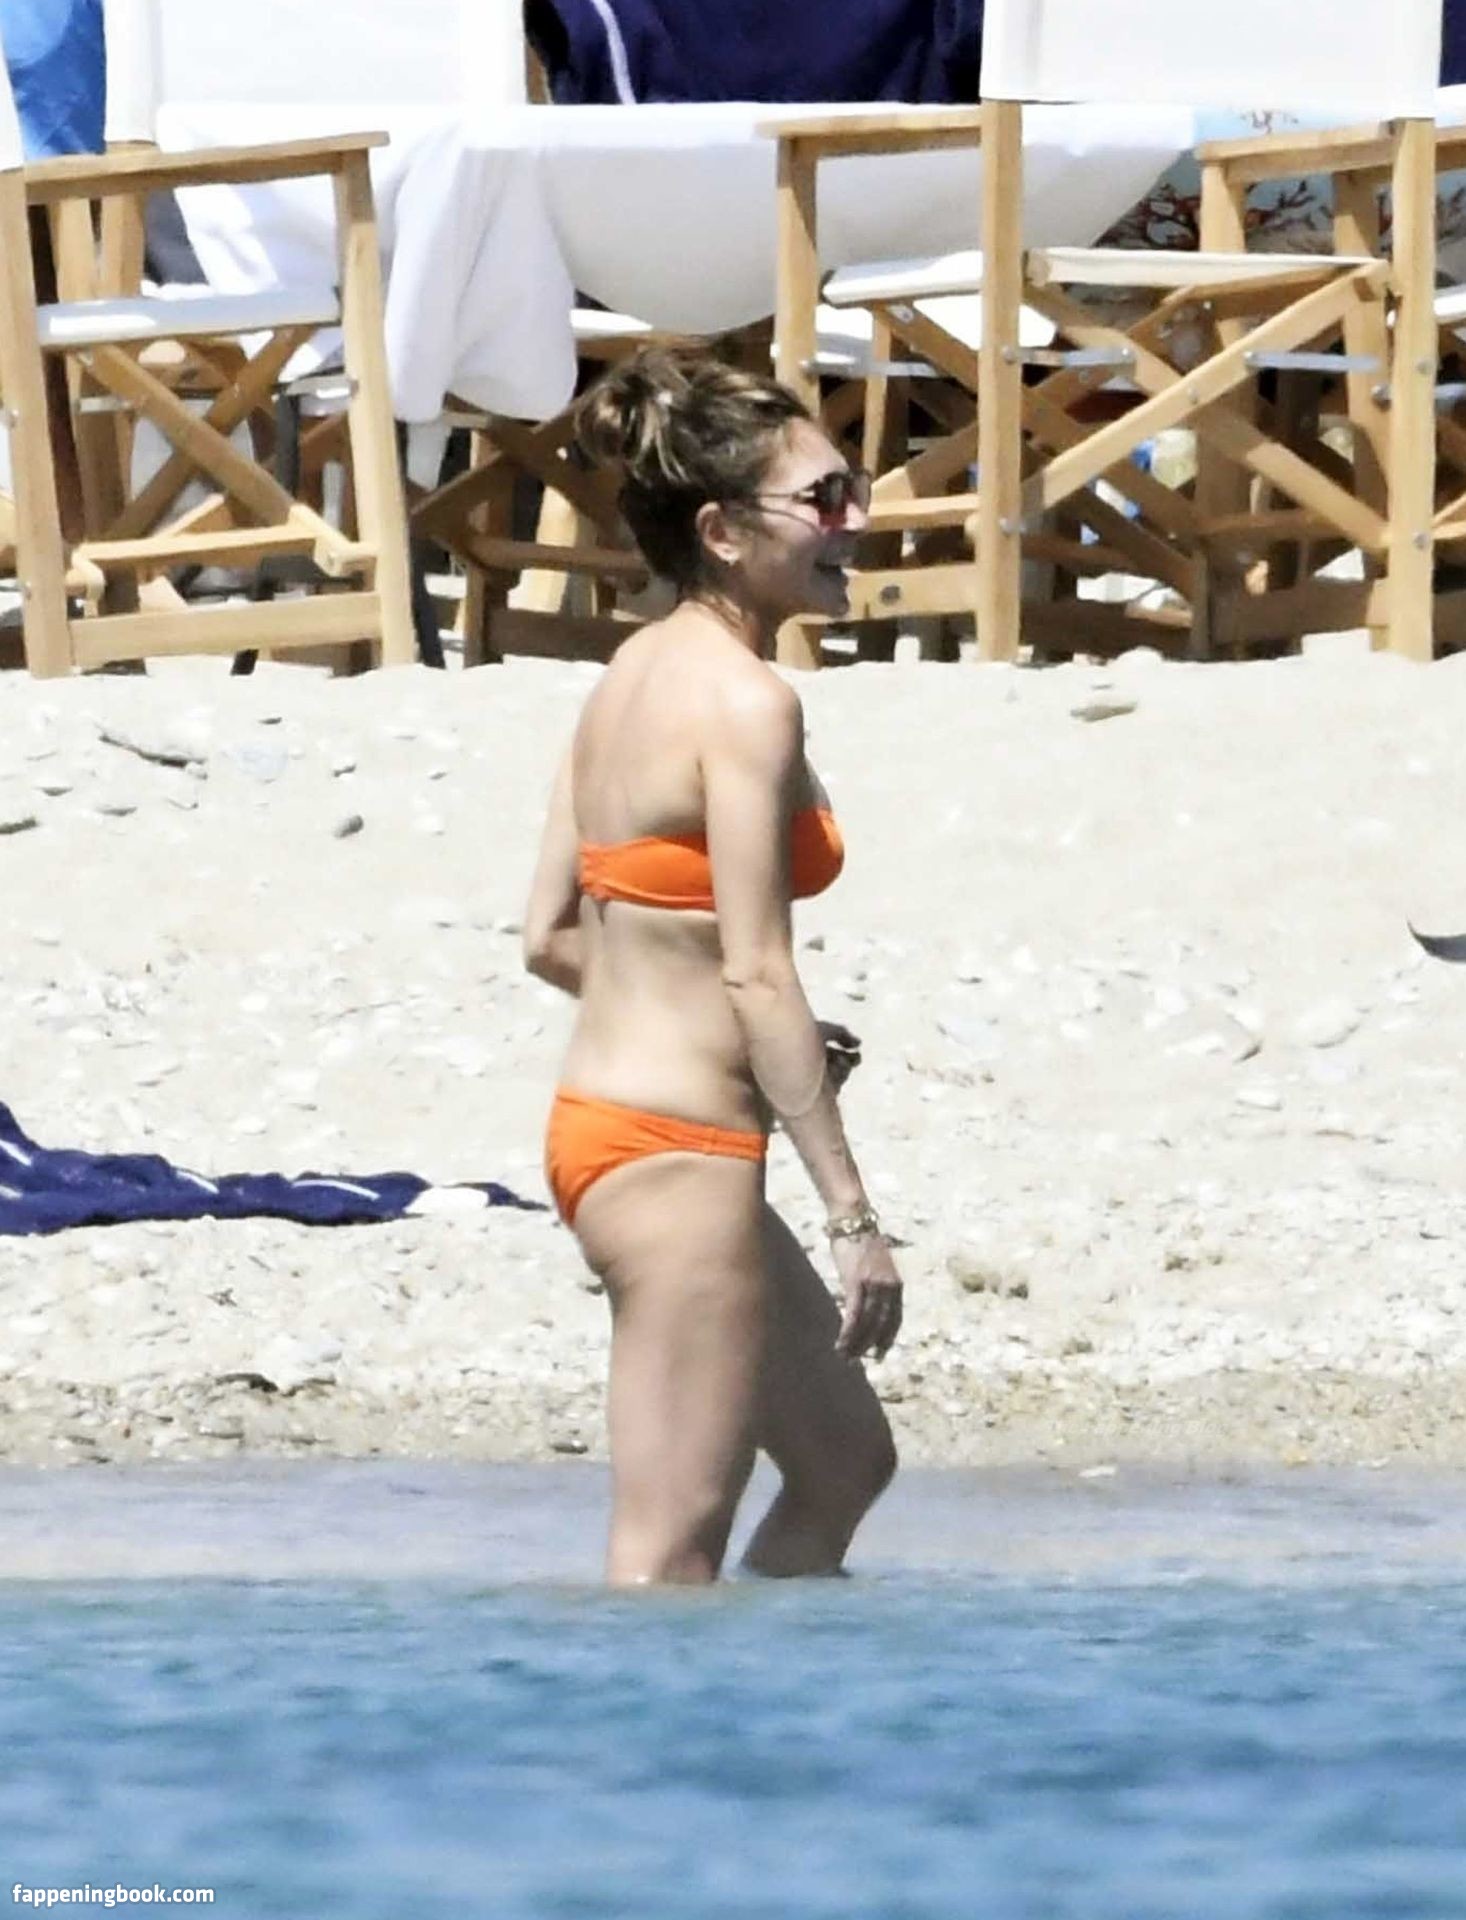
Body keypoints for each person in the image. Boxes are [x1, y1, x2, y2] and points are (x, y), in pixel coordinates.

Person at [522, 349, 902, 1587]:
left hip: (617, 1130)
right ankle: (620, 1726)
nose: (855, 521)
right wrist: (851, 1218)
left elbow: (552, 935)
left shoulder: (626, 677)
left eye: (854, 488)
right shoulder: (745, 705)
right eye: (824, 500)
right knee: (665, 1559)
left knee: (842, 1462)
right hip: (674, 1156)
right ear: (723, 533)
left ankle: (770, 1711)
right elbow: (756, 973)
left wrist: (727, 1031)